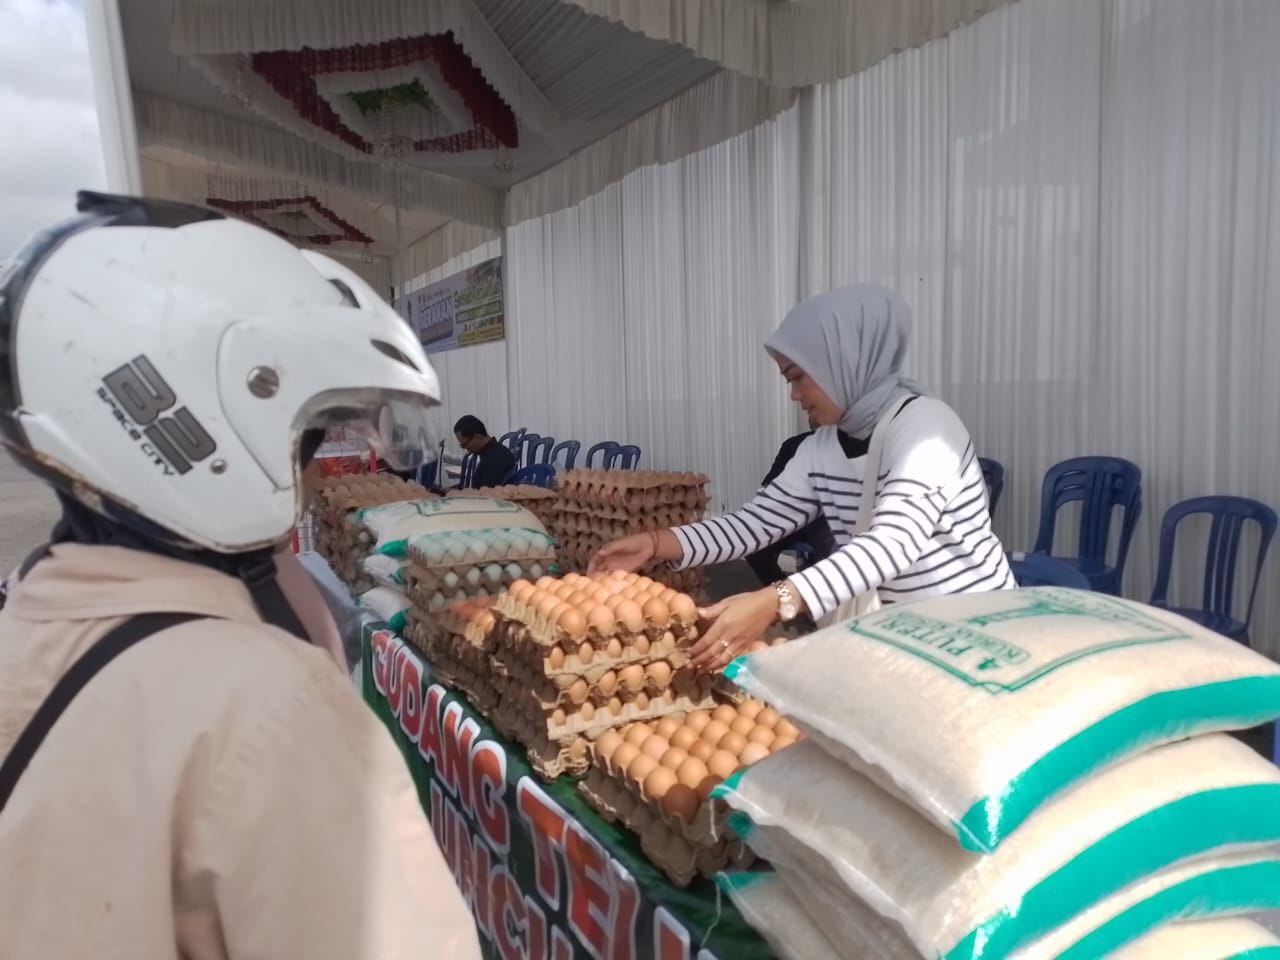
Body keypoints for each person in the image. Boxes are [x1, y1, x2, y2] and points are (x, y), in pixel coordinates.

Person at [0, 193, 482, 960]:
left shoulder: (25, 623)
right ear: (191, 423)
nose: (312, 477)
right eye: (305, 442)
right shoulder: (265, 702)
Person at [591, 283, 1014, 672]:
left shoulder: (927, 427)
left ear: (842, 362)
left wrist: (776, 600)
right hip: (907, 637)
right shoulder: (821, 449)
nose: (794, 395)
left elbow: (892, 543)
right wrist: (655, 544)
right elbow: (754, 525)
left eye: (798, 377)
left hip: (979, 635)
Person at [744, 416, 836, 588]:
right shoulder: (793, 445)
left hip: (826, 520)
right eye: (810, 414)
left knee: (829, 552)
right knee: (755, 546)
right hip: (791, 516)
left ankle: (820, 595)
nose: (813, 418)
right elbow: (770, 485)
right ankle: (781, 591)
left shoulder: (846, 448)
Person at [453, 414, 515, 488]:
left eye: (464, 445)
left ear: (478, 437)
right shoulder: (496, 451)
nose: (465, 449)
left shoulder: (494, 460)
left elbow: (486, 493)